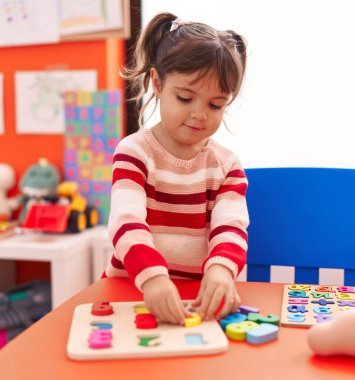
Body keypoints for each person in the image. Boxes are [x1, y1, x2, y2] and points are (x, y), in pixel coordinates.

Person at [104, 12, 249, 325]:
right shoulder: (134, 152)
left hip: (196, 300)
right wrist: (153, 278)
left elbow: (231, 227)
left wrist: (221, 270)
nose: (199, 114)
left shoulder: (227, 166)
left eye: (215, 105)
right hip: (133, 290)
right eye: (185, 98)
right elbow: (126, 221)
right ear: (157, 83)